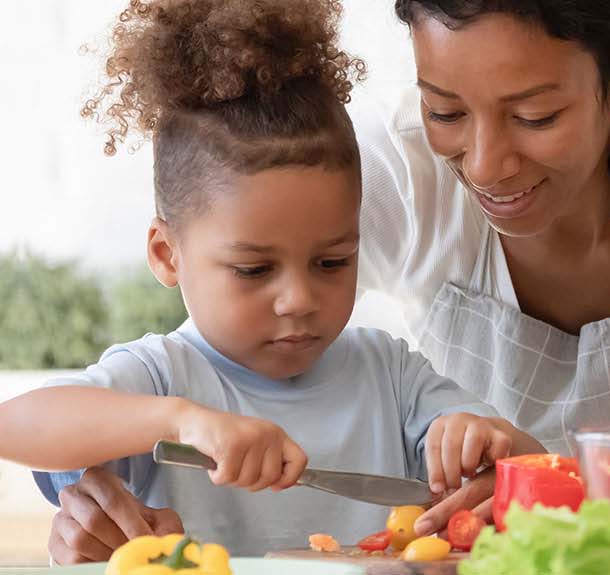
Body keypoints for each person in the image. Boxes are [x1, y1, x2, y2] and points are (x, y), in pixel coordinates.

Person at [48, 0, 610, 559]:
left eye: (535, 116)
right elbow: (243, 314)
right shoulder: (392, 169)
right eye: (445, 110)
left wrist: (539, 485)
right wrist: (107, 482)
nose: (485, 164)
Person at [1, 0, 542, 560]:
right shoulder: (160, 378)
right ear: (167, 255)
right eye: (254, 270)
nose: (300, 300)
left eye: (333, 262)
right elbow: (13, 426)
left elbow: (533, 468)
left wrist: (485, 443)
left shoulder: (392, 377)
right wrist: (183, 422)